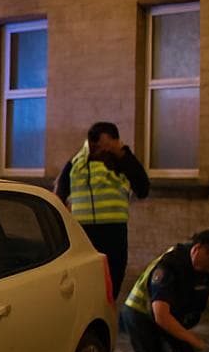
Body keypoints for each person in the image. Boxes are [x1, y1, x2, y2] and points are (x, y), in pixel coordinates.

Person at [55, 122, 150, 298]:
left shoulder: (122, 163)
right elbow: (59, 195)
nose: (101, 151)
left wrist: (122, 153)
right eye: (99, 146)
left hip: (114, 234)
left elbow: (143, 188)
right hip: (83, 235)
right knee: (85, 288)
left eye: (108, 145)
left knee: (110, 288)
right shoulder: (76, 165)